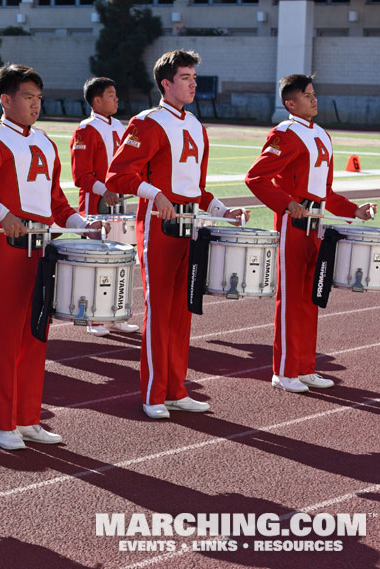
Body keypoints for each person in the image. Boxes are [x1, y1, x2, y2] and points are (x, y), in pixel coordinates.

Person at [0, 64, 107, 450]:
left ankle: (29, 417)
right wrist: (3, 215)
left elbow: (55, 202)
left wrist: (82, 224)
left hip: (43, 251)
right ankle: (3, 422)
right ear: (5, 99)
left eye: (39, 98)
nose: (35, 105)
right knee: (7, 337)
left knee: (37, 334)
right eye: (27, 97)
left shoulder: (45, 142)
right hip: (6, 250)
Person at [106, 50, 245, 420]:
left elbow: (196, 187)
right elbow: (118, 176)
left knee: (182, 311)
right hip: (157, 226)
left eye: (194, 77)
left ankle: (176, 389)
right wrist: (155, 195)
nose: (193, 83)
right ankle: (154, 393)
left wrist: (221, 210)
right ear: (166, 84)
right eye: (185, 77)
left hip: (190, 227)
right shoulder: (147, 123)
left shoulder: (197, 125)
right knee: (158, 313)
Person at [245, 74, 376, 393]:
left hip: (317, 225)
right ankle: (284, 371)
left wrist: (354, 210)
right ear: (290, 103)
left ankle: (305, 367)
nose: (314, 99)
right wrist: (287, 205)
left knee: (311, 296)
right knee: (290, 299)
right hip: (293, 224)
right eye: (307, 95)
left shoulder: (322, 135)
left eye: (314, 94)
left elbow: (326, 191)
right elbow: (256, 178)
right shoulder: (285, 133)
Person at [70, 76, 140, 338]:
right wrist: (105, 190)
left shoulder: (120, 126)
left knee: (118, 259)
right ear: (96, 100)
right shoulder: (86, 129)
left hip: (118, 202)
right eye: (111, 94)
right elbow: (81, 175)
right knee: (96, 261)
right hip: (95, 203)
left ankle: (115, 313)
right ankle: (93, 316)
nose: (116, 98)